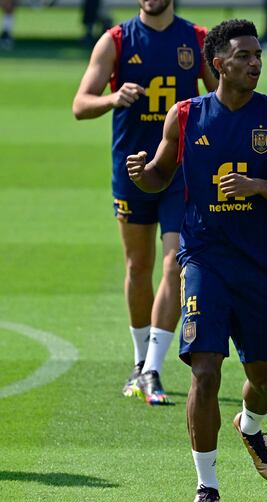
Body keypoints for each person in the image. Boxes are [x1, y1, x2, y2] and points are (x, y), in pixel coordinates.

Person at [126, 18, 267, 502]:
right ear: (218, 64)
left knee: (265, 381)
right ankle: (206, 485)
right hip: (202, 260)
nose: (255, 62)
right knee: (205, 372)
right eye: (245, 56)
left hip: (254, 268)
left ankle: (250, 425)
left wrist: (259, 186)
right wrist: (143, 176)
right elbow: (158, 177)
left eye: (258, 55)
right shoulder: (185, 116)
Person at [72, 0, 218, 405]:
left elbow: (220, 99)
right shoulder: (115, 40)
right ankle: (139, 363)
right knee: (138, 267)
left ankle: (153, 368)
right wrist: (112, 98)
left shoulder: (196, 39)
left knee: (175, 263)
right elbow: (81, 104)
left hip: (178, 175)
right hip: (132, 170)